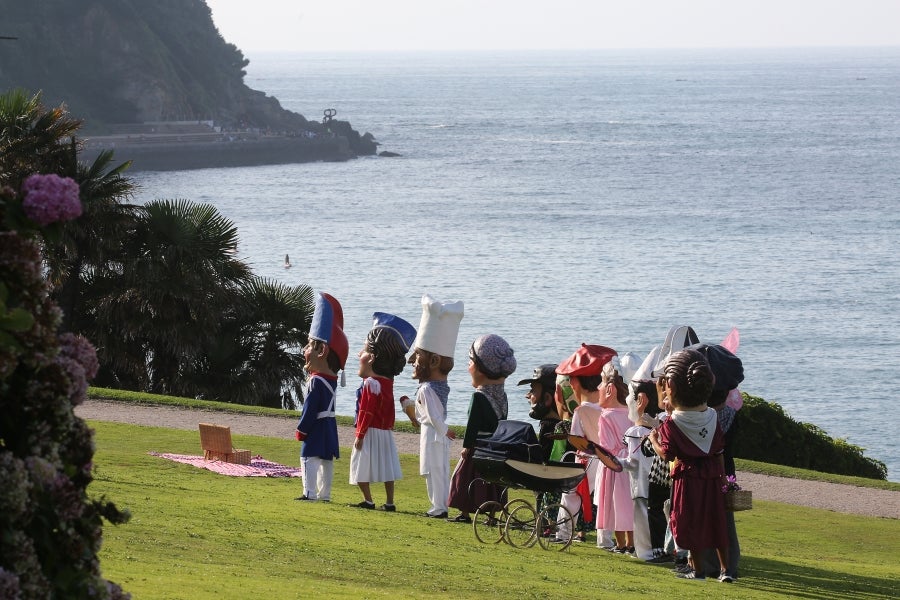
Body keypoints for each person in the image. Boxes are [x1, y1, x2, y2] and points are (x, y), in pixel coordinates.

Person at [648, 348, 733, 583]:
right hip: (712, 476)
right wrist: (725, 479)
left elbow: (666, 454)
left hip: (686, 477)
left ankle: (698, 570)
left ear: (672, 387)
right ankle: (726, 570)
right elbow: (718, 450)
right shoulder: (712, 417)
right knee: (715, 520)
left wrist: (653, 439)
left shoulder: (673, 424)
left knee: (689, 521)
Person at [350, 312, 417, 511]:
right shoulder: (387, 383)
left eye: (362, 351)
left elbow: (366, 411)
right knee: (387, 467)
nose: (358, 355)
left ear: (371, 358)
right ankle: (389, 501)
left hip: (370, 431)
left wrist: (360, 434)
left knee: (360, 465)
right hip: (385, 431)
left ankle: (369, 500)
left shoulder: (371, 383)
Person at [447, 334, 517, 523]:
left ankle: (465, 512)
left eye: (471, 361)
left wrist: (467, 446)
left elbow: (472, 424)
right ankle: (493, 515)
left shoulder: (478, 397)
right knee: (493, 482)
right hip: (495, 446)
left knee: (465, 479)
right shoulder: (502, 397)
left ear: (481, 368)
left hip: (478, 445)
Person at [553, 344, 617, 545]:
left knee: (571, 494)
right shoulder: (609, 408)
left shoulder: (581, 411)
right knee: (606, 498)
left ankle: (563, 533)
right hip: (609, 457)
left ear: (576, 382)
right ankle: (605, 539)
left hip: (587, 459)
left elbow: (576, 439)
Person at [407, 294, 464, 518]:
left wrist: (444, 430)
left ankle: (439, 507)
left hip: (433, 434)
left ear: (433, 362)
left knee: (435, 470)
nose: (412, 361)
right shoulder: (435, 387)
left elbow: (432, 415)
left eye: (418, 356)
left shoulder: (426, 389)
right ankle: (438, 505)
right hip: (434, 433)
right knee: (435, 470)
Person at [295, 292, 348, 502]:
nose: (304, 350)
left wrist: (302, 429)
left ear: (322, 350)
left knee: (308, 457)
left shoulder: (316, 381)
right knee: (326, 460)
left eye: (309, 345)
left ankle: (310, 493)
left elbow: (310, 408)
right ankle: (325, 494)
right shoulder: (331, 380)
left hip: (317, 425)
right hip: (329, 425)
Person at [595, 358, 636, 554]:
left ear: (610, 388)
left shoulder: (606, 416)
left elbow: (605, 446)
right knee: (629, 502)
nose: (598, 386)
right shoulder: (631, 413)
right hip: (631, 464)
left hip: (614, 465)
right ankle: (631, 541)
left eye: (601, 381)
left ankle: (621, 543)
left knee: (615, 503)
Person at [621, 378, 661, 561]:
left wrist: (612, 462)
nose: (627, 400)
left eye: (630, 396)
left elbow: (632, 462)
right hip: (658, 482)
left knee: (641, 517)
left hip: (640, 483)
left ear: (641, 400)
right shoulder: (660, 428)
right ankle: (657, 549)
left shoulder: (634, 433)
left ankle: (645, 552)